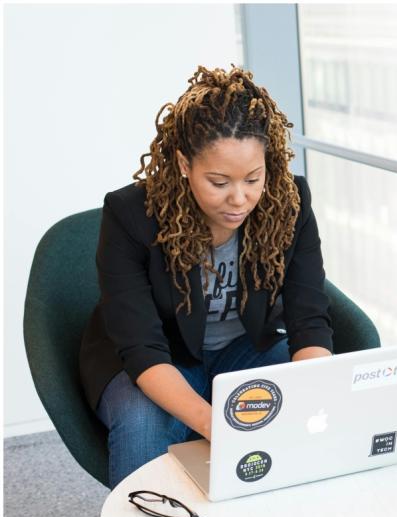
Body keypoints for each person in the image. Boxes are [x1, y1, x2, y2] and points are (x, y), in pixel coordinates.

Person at [79, 65, 334, 489]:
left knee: (309, 404)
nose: (240, 198)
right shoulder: (130, 216)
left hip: (243, 349)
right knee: (145, 424)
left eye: (253, 178)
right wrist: (218, 424)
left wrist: (315, 393)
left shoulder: (289, 202)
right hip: (159, 358)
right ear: (184, 163)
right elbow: (142, 347)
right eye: (219, 182)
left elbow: (309, 319)